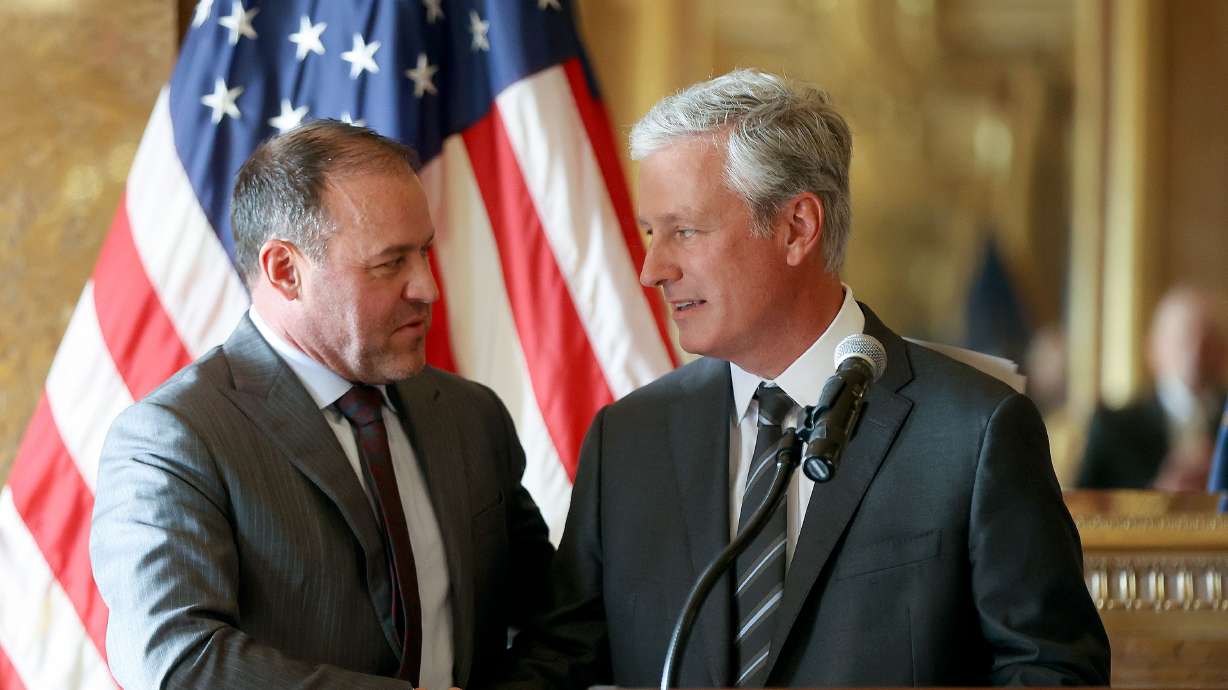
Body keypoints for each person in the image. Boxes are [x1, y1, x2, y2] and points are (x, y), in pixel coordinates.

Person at [488, 70, 1109, 688]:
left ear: (796, 229)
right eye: (652, 232)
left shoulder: (973, 432)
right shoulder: (629, 438)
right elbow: (558, 660)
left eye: (685, 231)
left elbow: (1054, 671)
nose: (653, 268)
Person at [90, 120, 554, 689]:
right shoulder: (174, 437)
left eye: (425, 253)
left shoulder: (470, 415)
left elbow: (550, 615)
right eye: (390, 263)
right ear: (285, 271)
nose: (427, 288)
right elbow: (177, 661)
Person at [1079, 285, 1227, 490]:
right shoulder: (1113, 428)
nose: (1195, 352)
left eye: (1207, 340)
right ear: (1153, 348)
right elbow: (1079, 512)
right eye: (1183, 339)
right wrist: (1158, 495)